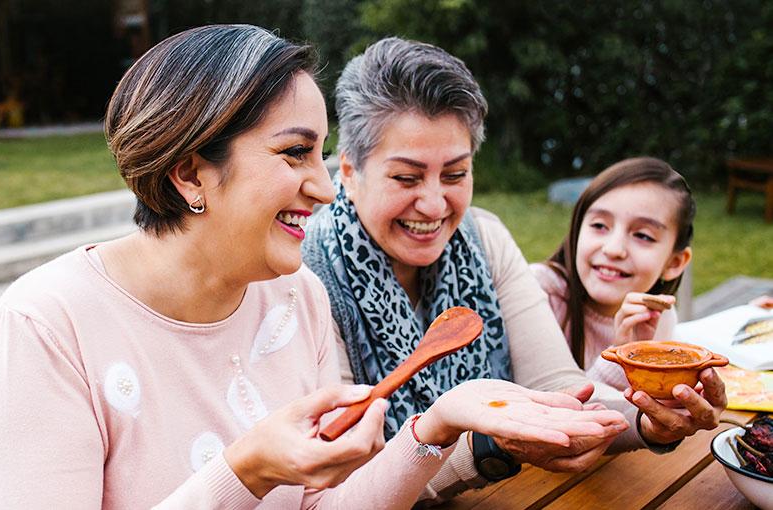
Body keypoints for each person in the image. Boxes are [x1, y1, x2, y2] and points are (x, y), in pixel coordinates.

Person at [0, 25, 624, 509]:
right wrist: (244, 471)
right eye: (294, 154)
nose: (326, 188)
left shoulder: (295, 296)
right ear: (191, 170)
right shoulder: (44, 329)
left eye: (321, 154)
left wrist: (435, 425)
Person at [301, 37, 726, 503]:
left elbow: (560, 388)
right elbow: (343, 472)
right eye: (406, 177)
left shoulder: (485, 238)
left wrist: (649, 421)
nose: (434, 203)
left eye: (456, 174)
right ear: (348, 170)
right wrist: (484, 447)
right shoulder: (307, 272)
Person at [531, 157, 696, 390]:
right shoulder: (539, 293)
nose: (613, 249)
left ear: (674, 263)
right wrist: (620, 357)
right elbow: (548, 409)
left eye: (643, 236)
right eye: (599, 226)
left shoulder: (659, 319)